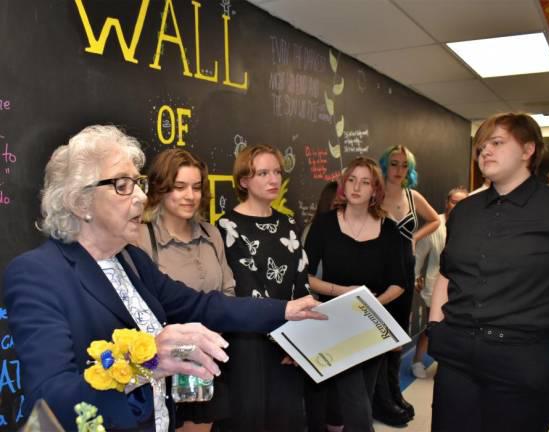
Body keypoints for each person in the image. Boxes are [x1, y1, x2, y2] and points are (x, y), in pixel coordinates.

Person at [3, 125, 324, 432]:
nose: (142, 198)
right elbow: (52, 396)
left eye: (138, 183)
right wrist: (150, 360)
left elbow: (201, 305)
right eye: (123, 185)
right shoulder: (37, 274)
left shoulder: (131, 260)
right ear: (80, 202)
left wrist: (283, 311)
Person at [428, 113, 549, 432]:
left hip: (526, 361)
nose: (484, 151)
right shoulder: (464, 212)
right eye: (481, 146)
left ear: (528, 150)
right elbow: (448, 274)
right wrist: (436, 327)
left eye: (497, 143)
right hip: (456, 359)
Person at [304, 156, 407, 432]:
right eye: (351, 180)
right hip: (332, 321)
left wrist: (370, 303)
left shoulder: (389, 231)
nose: (357, 187)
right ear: (343, 185)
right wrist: (344, 293)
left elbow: (399, 283)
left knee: (360, 393)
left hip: (371, 323)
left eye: (365, 182)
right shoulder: (325, 224)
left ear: (375, 190)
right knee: (355, 401)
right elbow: (307, 276)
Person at [135, 148, 235, 432]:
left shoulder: (211, 234)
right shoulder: (141, 236)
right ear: (161, 189)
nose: (189, 196)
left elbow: (228, 291)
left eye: (196, 187)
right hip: (160, 368)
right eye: (179, 187)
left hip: (207, 360)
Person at [216, 144, 311, 432]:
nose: (273, 180)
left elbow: (301, 279)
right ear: (244, 180)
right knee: (250, 417)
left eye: (277, 172)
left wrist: (299, 340)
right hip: (249, 342)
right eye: (263, 173)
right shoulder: (226, 226)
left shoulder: (289, 222)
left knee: (287, 417)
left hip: (290, 338)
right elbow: (247, 287)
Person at [374, 145, 440, 424]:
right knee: (378, 336)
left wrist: (414, 239)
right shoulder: (373, 195)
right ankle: (381, 399)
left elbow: (435, 220)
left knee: (398, 337)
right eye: (394, 163)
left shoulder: (413, 196)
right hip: (378, 274)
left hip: (405, 272)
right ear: (385, 165)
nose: (399, 170)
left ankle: (392, 392)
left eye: (404, 165)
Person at [411, 186, 468, 379]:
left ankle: (445, 367)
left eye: (463, 202)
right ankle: (417, 361)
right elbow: (419, 255)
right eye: (454, 201)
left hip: (463, 290)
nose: (458, 206)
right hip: (435, 288)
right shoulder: (436, 225)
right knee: (431, 328)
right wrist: (414, 277)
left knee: (455, 332)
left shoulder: (473, 224)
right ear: (447, 202)